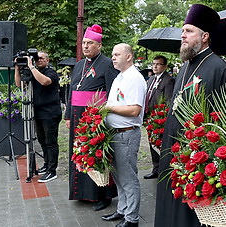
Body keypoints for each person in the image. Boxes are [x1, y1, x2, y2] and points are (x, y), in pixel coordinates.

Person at [154, 4, 226, 227]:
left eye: (189, 31)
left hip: (197, 160)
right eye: (183, 31)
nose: (183, 35)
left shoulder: (220, 69)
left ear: (205, 36)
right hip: (172, 151)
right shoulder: (184, 68)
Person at [64, 24, 119, 210]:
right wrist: (67, 115)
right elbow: (71, 92)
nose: (85, 46)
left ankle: (103, 196)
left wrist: (105, 116)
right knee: (79, 153)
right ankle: (81, 193)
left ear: (99, 46)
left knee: (95, 156)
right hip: (77, 117)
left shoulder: (107, 64)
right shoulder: (79, 65)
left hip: (96, 119)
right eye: (84, 43)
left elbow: (112, 93)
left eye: (89, 43)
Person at [101, 43, 146, 227]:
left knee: (128, 177)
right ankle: (123, 209)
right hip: (115, 134)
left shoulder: (134, 78)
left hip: (126, 135)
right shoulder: (121, 77)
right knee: (119, 177)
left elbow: (135, 110)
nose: (113, 57)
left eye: (117, 54)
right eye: (112, 54)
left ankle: (132, 218)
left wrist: (108, 108)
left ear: (128, 56)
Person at [14, 51, 62, 183]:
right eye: (36, 58)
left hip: (50, 113)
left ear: (47, 60)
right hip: (38, 112)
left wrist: (31, 66)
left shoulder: (50, 72)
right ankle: (47, 165)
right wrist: (17, 69)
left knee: (51, 142)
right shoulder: (33, 71)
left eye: (41, 58)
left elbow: (45, 82)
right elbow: (19, 85)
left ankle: (52, 171)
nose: (38, 60)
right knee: (42, 141)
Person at [143, 55, 175, 179]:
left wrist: (161, 115)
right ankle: (156, 169)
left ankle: (165, 169)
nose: (155, 66)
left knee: (160, 144)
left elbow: (168, 100)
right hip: (149, 117)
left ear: (165, 66)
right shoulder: (151, 79)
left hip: (160, 118)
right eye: (153, 64)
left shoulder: (168, 80)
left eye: (158, 64)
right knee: (151, 143)